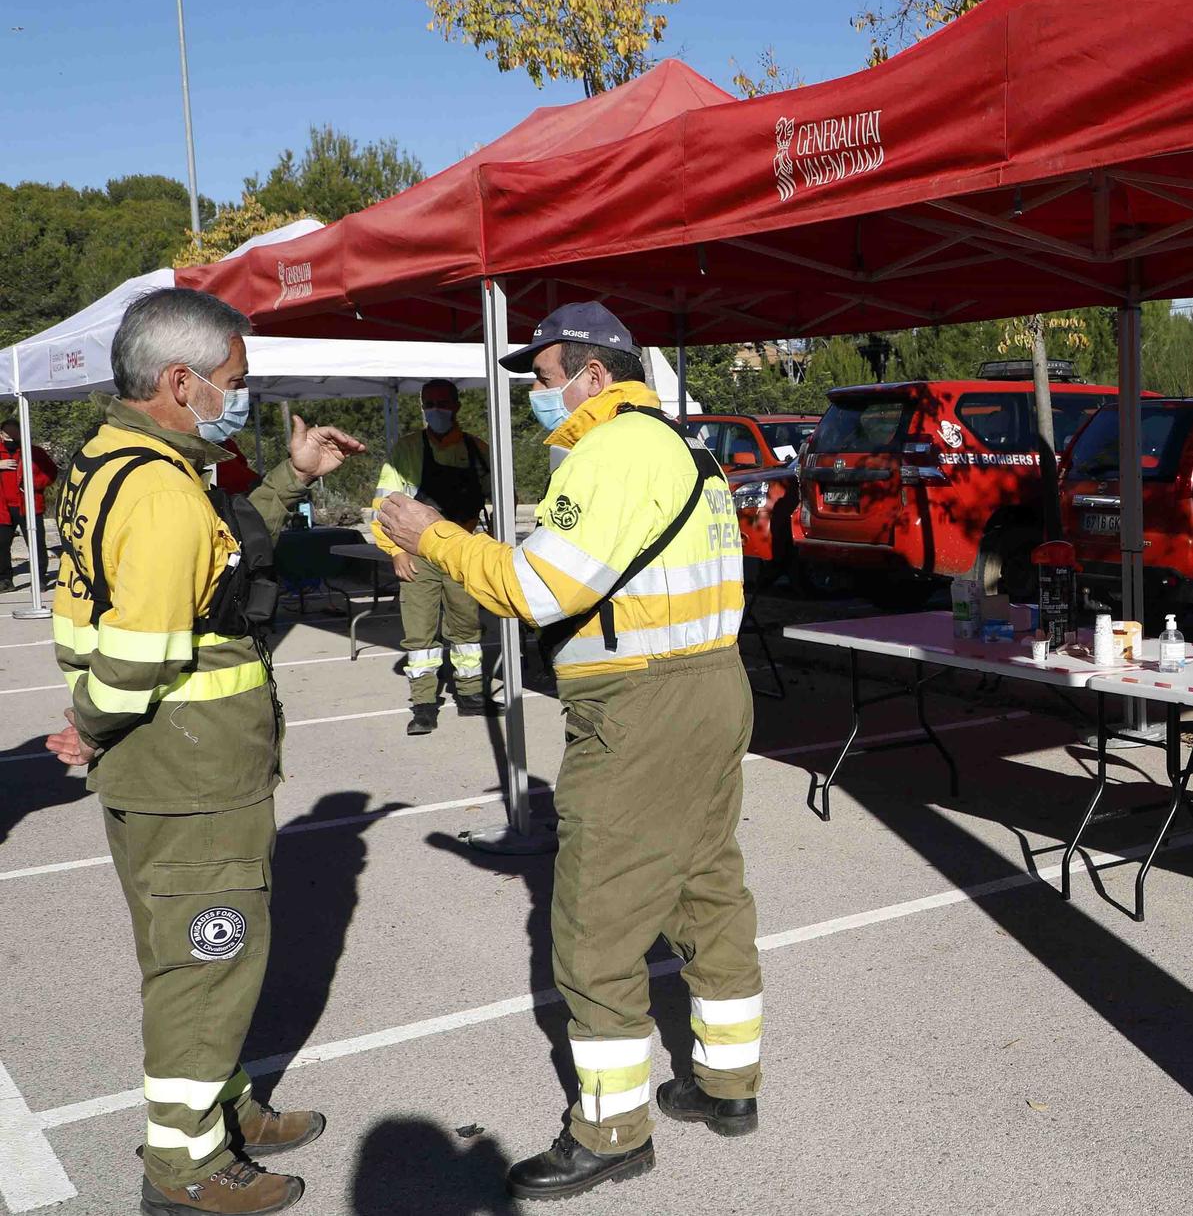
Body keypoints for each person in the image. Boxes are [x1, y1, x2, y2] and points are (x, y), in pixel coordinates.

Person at [377, 302, 761, 1203]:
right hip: (711, 685)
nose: (535, 395)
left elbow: (535, 588)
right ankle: (728, 1082)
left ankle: (611, 1130)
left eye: (544, 378)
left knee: (596, 924)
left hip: (642, 705)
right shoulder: (681, 448)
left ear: (594, 374)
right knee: (709, 887)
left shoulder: (614, 450)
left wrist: (430, 534)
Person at [43, 288, 365, 1216]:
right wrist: (94, 720)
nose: (242, 396)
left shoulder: (118, 461)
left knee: (193, 960)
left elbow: (220, 558)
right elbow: (143, 649)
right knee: (204, 965)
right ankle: (184, 1166)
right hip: (186, 772)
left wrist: (292, 474)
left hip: (166, 766)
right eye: (232, 381)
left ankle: (221, 1108)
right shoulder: (158, 487)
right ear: (178, 381)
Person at [369, 379, 491, 734]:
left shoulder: (477, 449)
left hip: (464, 550)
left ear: (457, 405)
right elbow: (384, 503)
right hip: (417, 553)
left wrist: (496, 538)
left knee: (466, 627)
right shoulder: (407, 448)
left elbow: (500, 490)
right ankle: (424, 705)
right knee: (420, 634)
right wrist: (394, 551)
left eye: (443, 402)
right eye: (429, 403)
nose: (436, 409)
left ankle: (470, 696)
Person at [0, 414, 59, 589]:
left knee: (35, 542)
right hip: (3, 508)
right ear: (1, 435)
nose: (11, 439)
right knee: (1, 545)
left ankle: (39, 577)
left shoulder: (34, 452)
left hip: (29, 505)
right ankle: (4, 579)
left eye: (15, 435)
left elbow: (51, 473)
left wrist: (33, 482)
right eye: (7, 436)